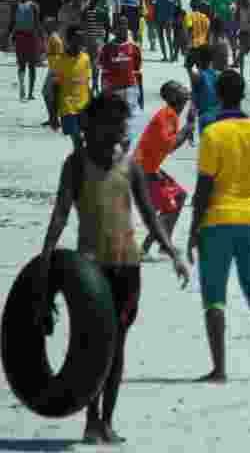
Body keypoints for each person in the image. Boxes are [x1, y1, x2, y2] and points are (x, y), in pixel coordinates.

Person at [38, 93, 189, 444]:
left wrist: (172, 252)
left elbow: (150, 215)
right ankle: (91, 421)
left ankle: (107, 421)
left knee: (117, 347)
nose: (122, 132)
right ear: (95, 126)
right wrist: (47, 256)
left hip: (127, 266)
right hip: (89, 268)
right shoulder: (75, 165)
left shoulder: (131, 166)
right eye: (116, 125)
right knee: (92, 345)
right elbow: (60, 213)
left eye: (124, 125)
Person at [187, 70, 250, 382]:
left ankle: (220, 369)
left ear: (218, 94)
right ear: (242, 94)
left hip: (216, 221)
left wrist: (192, 230)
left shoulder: (212, 134)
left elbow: (203, 190)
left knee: (214, 296)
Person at [135, 81, 195, 259]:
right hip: (142, 170)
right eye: (181, 89)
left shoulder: (172, 116)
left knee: (179, 196)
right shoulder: (165, 116)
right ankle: (144, 250)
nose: (185, 91)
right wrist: (188, 128)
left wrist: (187, 127)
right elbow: (169, 146)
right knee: (169, 208)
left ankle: (163, 244)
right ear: (174, 98)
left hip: (149, 167)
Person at [98, 18, 144, 149]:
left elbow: (137, 72)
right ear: (114, 29)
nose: (122, 27)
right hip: (114, 91)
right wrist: (103, 93)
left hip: (130, 90)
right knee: (114, 122)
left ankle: (126, 150)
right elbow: (104, 73)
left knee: (129, 123)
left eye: (125, 24)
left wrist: (140, 96)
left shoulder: (134, 47)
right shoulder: (107, 48)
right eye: (119, 25)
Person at [52, 25, 92, 151]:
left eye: (81, 38)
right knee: (77, 138)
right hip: (67, 107)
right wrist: (53, 115)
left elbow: (87, 84)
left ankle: (80, 163)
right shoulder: (60, 61)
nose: (80, 42)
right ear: (69, 40)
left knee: (86, 140)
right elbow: (55, 88)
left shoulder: (85, 58)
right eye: (77, 38)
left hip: (84, 106)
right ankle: (79, 164)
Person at [10, 0, 42, 101]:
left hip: (20, 36)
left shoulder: (16, 5)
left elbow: (12, 23)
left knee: (22, 64)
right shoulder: (33, 6)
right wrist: (41, 38)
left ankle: (23, 88)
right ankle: (29, 92)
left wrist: (11, 36)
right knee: (31, 66)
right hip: (30, 37)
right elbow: (37, 24)